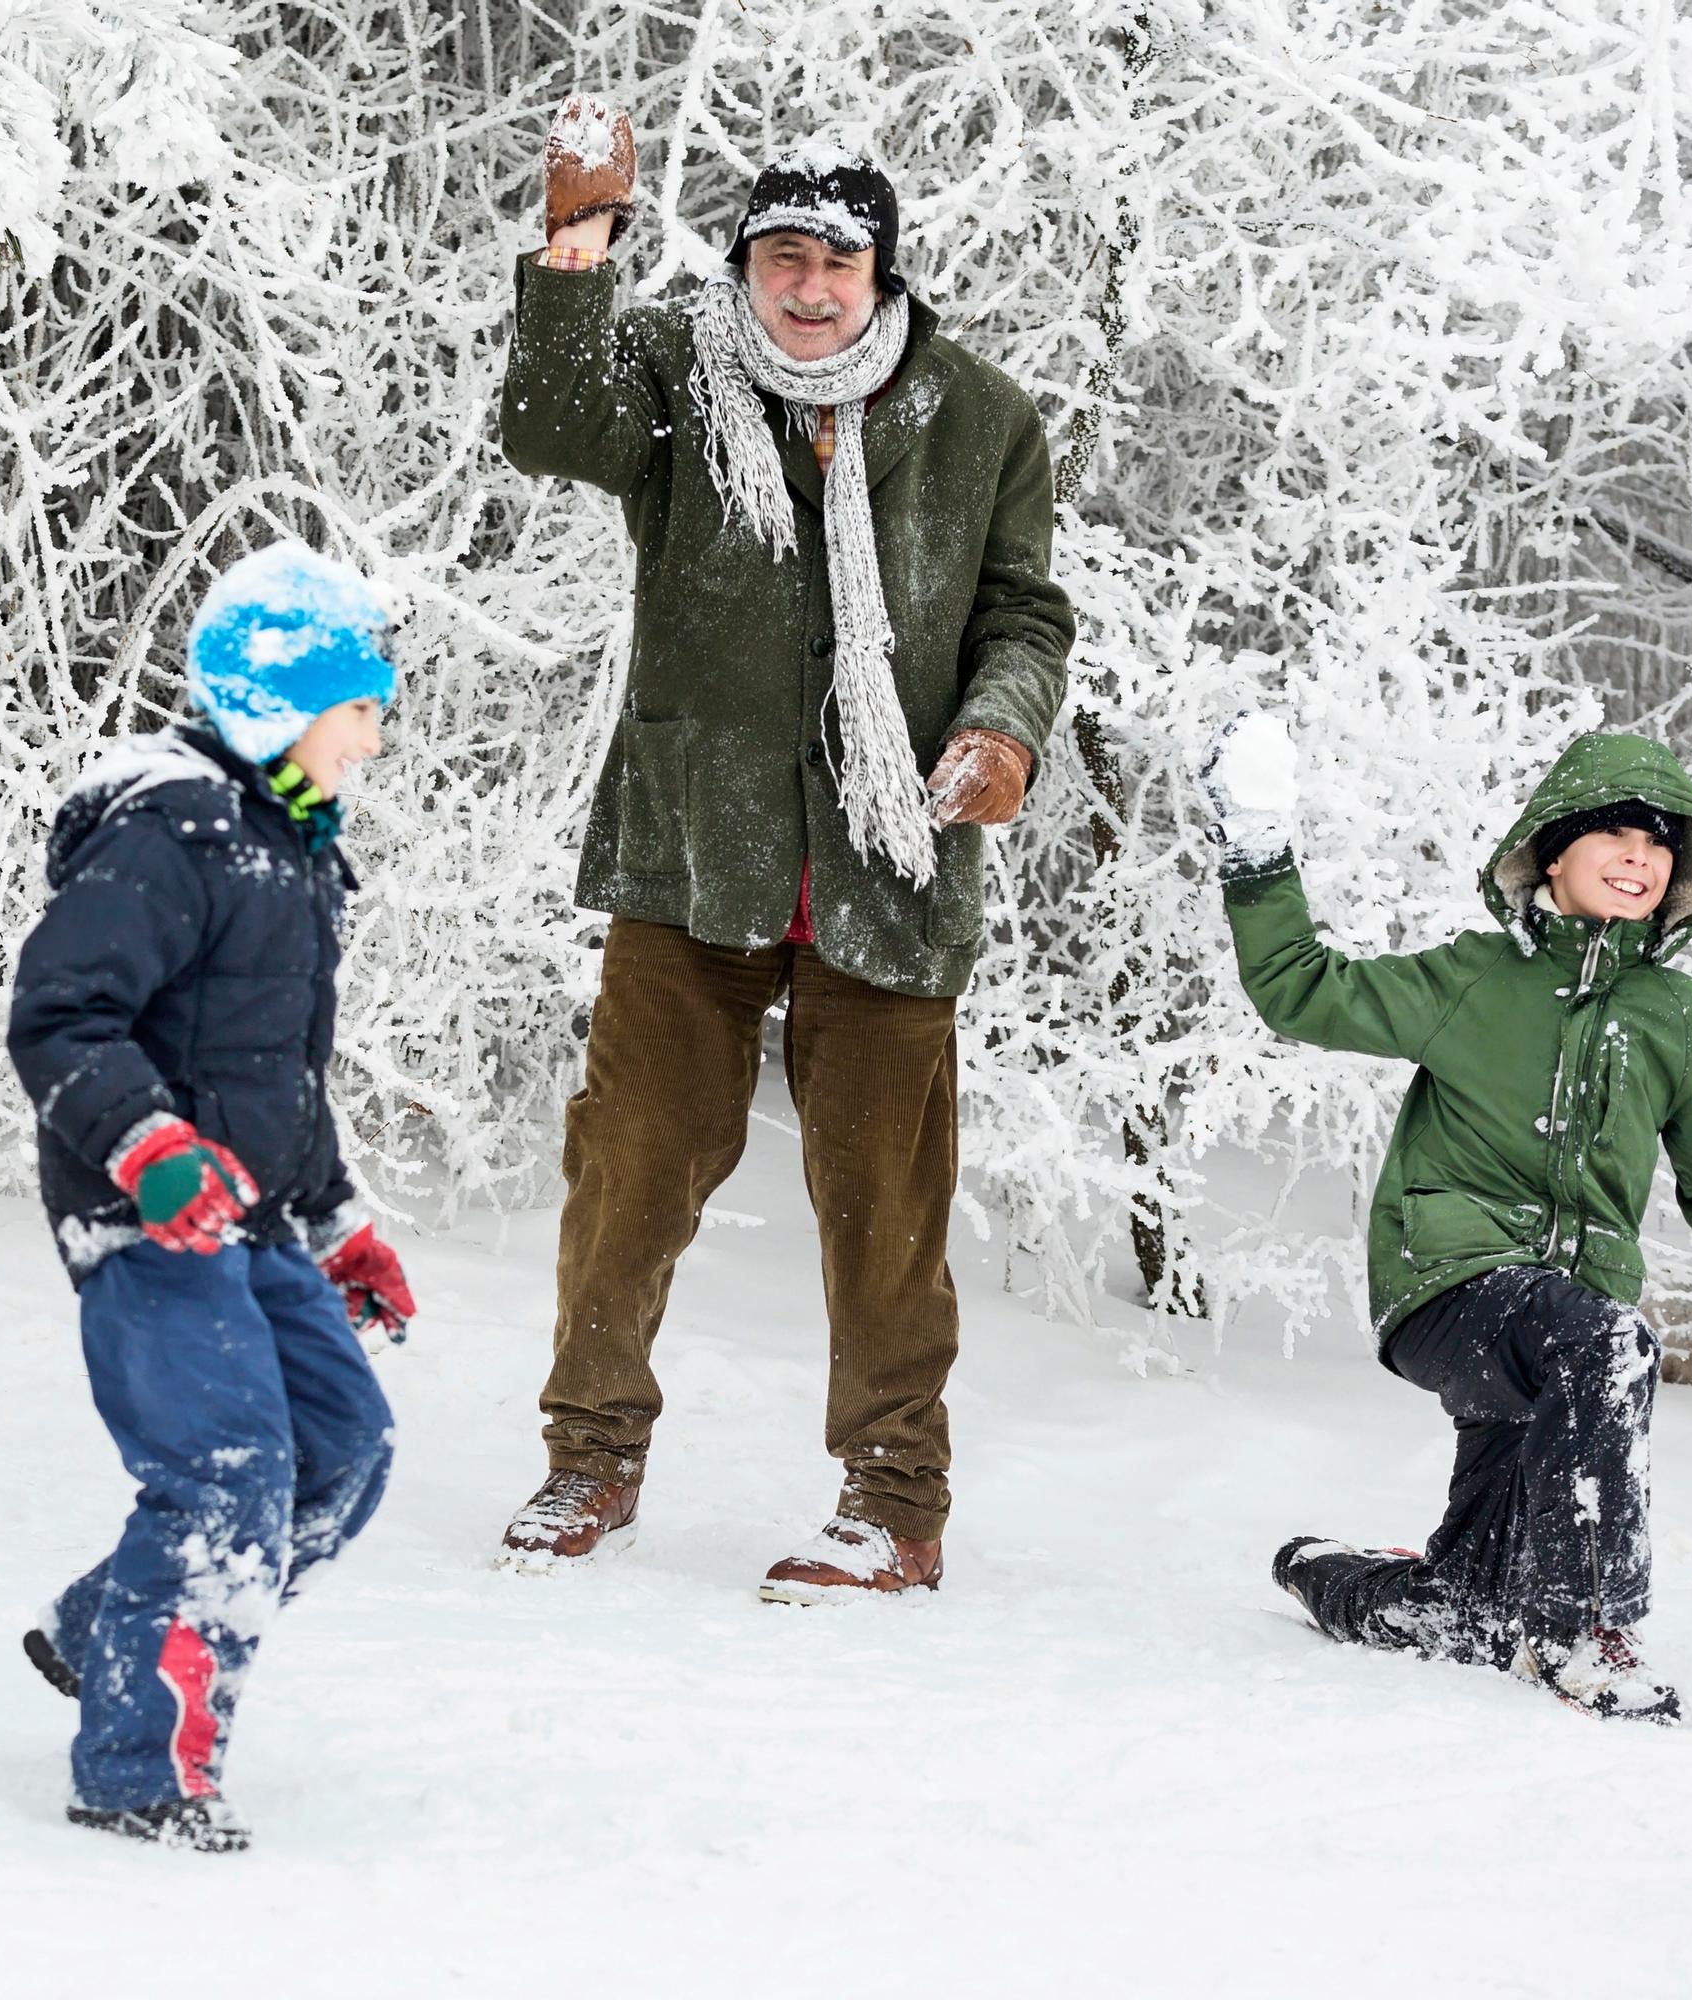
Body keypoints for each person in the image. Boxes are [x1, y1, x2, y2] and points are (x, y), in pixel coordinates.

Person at [494, 100, 1074, 1599]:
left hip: (892, 861)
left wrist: (1003, 733)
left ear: (883, 271)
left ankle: (896, 1499)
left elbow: (1024, 613)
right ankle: (588, 1461)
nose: (809, 288)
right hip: (697, 847)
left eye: (838, 260)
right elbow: (549, 426)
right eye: (782, 258)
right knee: (628, 1168)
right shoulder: (679, 382)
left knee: (886, 1205)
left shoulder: (982, 416)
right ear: (745, 265)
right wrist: (575, 249)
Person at [1199, 719, 1692, 1723]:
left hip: (1560, 1342)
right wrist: (1256, 845)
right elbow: (1299, 988)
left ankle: (1326, 1574)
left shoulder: (1675, 1017)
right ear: (1551, 854)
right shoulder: (1474, 977)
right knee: (1604, 1339)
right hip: (1449, 1284)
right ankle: (1585, 1626)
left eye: (1658, 843)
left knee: (1470, 1608)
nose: (1636, 856)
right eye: (1611, 833)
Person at [7, 542, 415, 1849]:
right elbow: (63, 1015)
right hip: (146, 1220)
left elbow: (270, 1075)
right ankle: (140, 1773)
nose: (369, 744)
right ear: (283, 704)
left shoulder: (289, 855)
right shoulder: (171, 830)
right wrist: (149, 1147)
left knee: (342, 1451)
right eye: (359, 713)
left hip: (258, 1217)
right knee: (229, 1474)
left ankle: (108, 1629)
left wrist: (338, 1220)